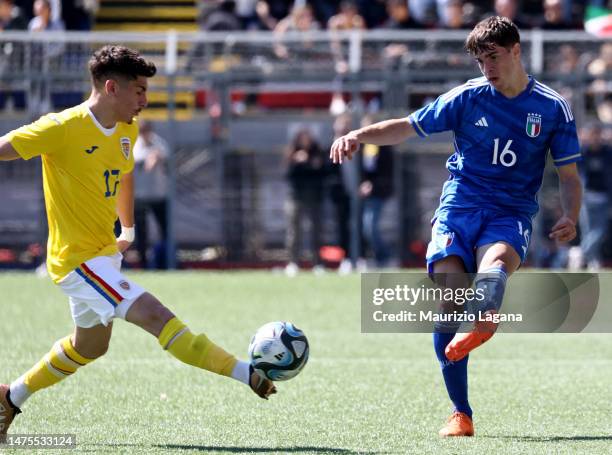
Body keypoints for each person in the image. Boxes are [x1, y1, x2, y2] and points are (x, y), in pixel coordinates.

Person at [0, 45, 275, 436]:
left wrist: (126, 230)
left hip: (104, 256)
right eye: (140, 91)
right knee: (158, 317)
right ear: (112, 87)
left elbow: (124, 175)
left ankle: (9, 398)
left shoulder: (127, 128)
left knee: (90, 347)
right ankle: (246, 374)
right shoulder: (62, 127)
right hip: (76, 262)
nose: (146, 100)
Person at [330, 16, 582, 437]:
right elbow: (408, 126)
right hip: (460, 206)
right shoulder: (468, 97)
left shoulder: (552, 107)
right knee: (449, 298)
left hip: (510, 211)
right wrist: (360, 134)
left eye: (494, 57)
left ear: (516, 50)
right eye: (481, 60)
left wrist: (570, 216)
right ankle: (460, 413)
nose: (487, 68)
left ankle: (484, 316)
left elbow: (570, 177)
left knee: (496, 260)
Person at [284, 128, 326, 276]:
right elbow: (288, 176)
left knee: (316, 230)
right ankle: (293, 262)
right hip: (296, 197)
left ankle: (317, 263)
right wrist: (295, 161)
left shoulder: (317, 152)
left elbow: (323, 173)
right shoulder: (292, 153)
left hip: (314, 197)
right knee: (294, 232)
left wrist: (311, 163)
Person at [133, 120, 169, 269]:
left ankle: (165, 262)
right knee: (141, 233)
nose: (146, 135)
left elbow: (165, 154)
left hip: (158, 195)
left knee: (165, 230)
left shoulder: (158, 142)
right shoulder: (135, 144)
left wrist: (157, 156)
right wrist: (148, 159)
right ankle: (143, 263)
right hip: (140, 197)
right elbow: (135, 160)